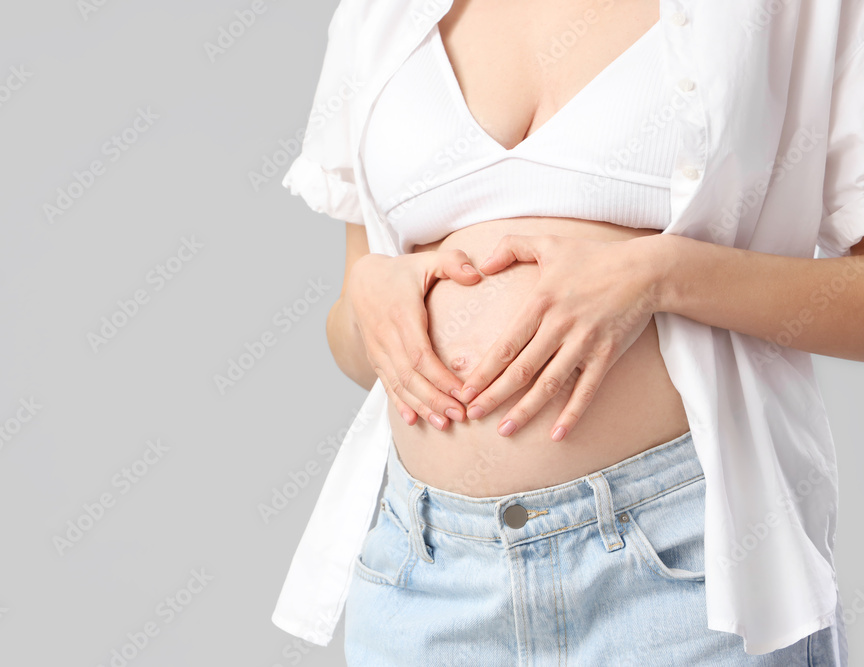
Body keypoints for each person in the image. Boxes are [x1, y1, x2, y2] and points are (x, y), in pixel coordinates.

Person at [273, 0, 863, 663]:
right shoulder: (380, 14)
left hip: (689, 572)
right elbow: (354, 343)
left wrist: (663, 275)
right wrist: (366, 299)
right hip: (429, 577)